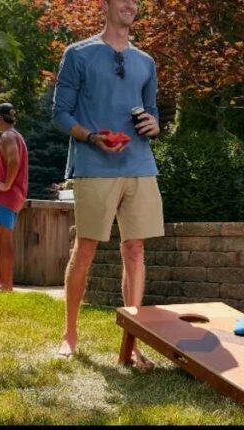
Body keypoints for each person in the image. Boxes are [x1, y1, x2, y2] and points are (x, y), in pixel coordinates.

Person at [51, 0, 163, 367]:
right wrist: (90, 136)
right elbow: (60, 114)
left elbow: (152, 110)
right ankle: (69, 334)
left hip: (140, 164)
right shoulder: (78, 54)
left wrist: (154, 124)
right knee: (85, 249)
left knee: (135, 250)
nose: (131, 5)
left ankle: (133, 341)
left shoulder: (146, 61)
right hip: (94, 165)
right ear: (106, 5)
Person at [0, 103, 29, 293]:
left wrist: (8, 184)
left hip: (7, 195)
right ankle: (0, 281)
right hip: (6, 195)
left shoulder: (8, 135)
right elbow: (9, 160)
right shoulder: (15, 136)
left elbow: (14, 160)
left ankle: (6, 284)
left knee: (4, 238)